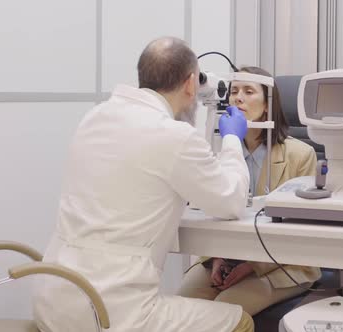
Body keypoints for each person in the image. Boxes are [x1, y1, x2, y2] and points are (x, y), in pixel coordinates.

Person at [32, 37, 254, 332]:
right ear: (191, 84)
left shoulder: (95, 117)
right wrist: (231, 139)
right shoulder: (174, 136)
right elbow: (232, 201)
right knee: (239, 321)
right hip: (110, 311)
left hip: (53, 301)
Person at [177, 66, 322, 316]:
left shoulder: (301, 155)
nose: (238, 98)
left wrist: (250, 265)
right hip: (226, 258)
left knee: (226, 309)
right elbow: (212, 214)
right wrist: (218, 258)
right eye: (234, 91)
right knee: (181, 307)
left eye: (248, 91)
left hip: (283, 264)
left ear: (267, 105)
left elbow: (300, 233)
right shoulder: (220, 153)